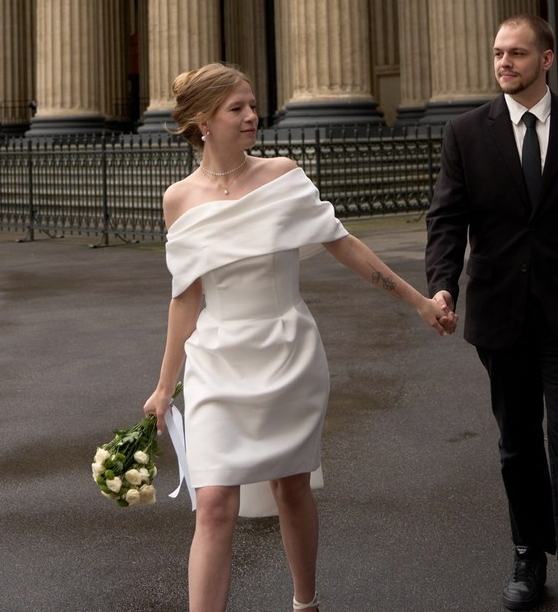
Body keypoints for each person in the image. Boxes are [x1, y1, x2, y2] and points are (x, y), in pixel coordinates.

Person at [144, 63, 454, 612]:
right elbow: (185, 297)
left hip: (288, 351)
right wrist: (164, 387)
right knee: (212, 504)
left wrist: (420, 303)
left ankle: (305, 603)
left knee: (292, 487)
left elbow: (344, 244)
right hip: (215, 360)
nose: (251, 116)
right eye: (236, 108)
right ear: (203, 122)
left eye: (251, 105)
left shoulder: (282, 175)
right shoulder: (179, 200)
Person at [425, 15, 558, 612]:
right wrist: (442, 286)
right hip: (500, 316)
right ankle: (528, 555)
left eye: (517, 53)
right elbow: (447, 219)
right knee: (518, 445)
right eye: (499, 52)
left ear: (546, 59)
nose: (504, 63)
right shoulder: (466, 133)